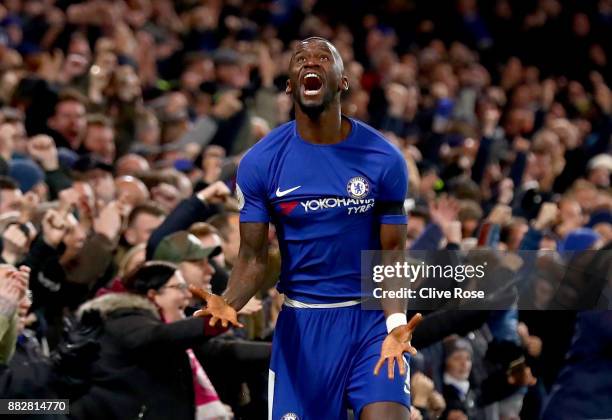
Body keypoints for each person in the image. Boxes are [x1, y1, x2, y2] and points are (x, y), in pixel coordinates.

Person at [199, 37, 422, 419]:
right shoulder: (260, 163)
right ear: (290, 84)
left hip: (369, 323)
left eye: (323, 58)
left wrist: (396, 323)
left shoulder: (383, 158)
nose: (311, 62)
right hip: (303, 329)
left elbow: (392, 254)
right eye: (301, 58)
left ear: (342, 82)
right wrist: (229, 300)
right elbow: (252, 257)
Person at [70, 261, 229, 420]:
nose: (188, 294)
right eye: (179, 287)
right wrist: (226, 311)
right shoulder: (126, 320)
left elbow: (220, 349)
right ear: (153, 295)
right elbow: (162, 335)